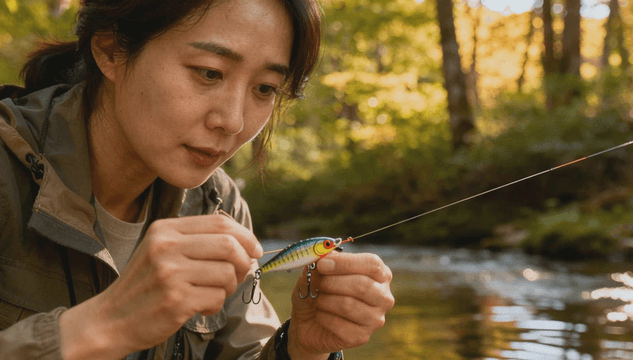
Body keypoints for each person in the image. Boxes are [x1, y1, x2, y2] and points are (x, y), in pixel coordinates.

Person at [0, 0, 395, 359]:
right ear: (110, 51)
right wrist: (102, 325)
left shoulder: (217, 203)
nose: (234, 121)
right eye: (209, 72)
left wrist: (302, 350)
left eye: (264, 88)